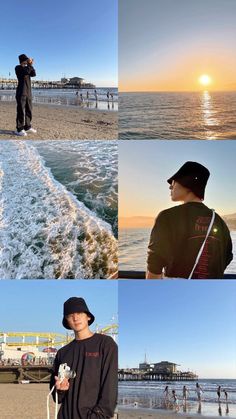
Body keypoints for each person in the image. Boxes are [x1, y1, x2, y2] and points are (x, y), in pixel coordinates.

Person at [147, 161, 233, 279]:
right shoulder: (220, 222)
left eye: (173, 182)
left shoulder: (167, 217)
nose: (170, 186)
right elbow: (227, 257)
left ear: (187, 183)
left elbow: (154, 265)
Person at [50, 297, 118, 419]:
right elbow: (56, 398)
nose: (75, 318)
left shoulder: (106, 344)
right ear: (67, 321)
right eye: (70, 315)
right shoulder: (62, 353)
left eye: (80, 313)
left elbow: (110, 388)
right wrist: (60, 390)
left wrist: (98, 415)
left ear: (88, 317)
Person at [15, 54, 37, 136]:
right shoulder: (18, 68)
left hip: (28, 93)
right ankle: (19, 129)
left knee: (29, 110)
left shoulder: (28, 67)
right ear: (22, 61)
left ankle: (27, 127)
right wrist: (29, 65)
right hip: (21, 92)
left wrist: (31, 65)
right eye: (26, 60)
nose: (27, 61)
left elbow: (34, 74)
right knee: (21, 111)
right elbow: (26, 71)